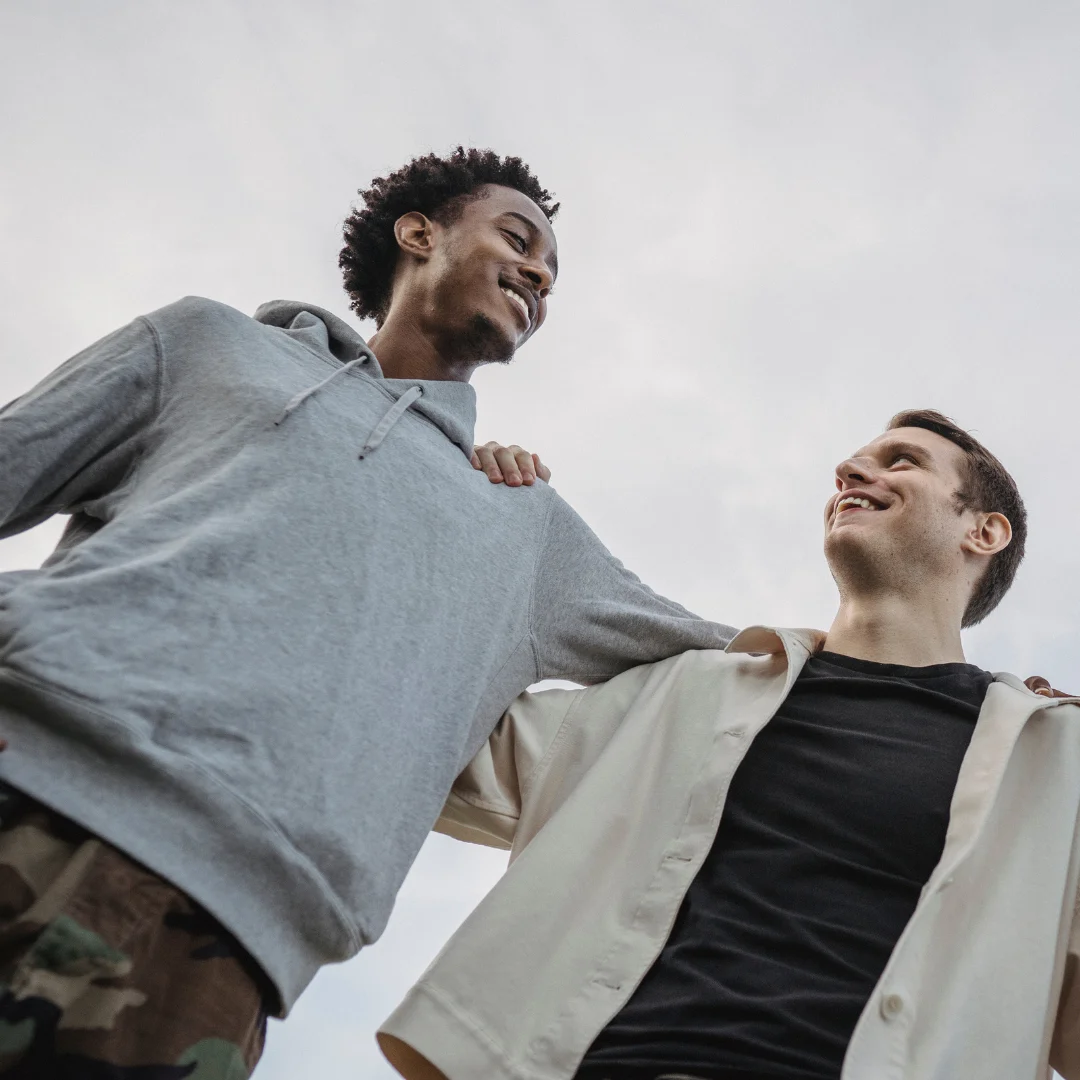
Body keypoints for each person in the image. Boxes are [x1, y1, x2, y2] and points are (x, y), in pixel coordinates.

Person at [0, 148, 736, 1076]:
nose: (541, 274)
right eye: (518, 238)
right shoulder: (203, 344)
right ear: (419, 233)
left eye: (551, 275)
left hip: (221, 940)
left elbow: (730, 659)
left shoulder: (526, 524)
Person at [380, 409, 1080, 1080]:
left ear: (984, 532)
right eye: (855, 462)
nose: (850, 470)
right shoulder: (681, 694)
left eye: (902, 461)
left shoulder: (1054, 761)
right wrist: (474, 519)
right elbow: (410, 726)